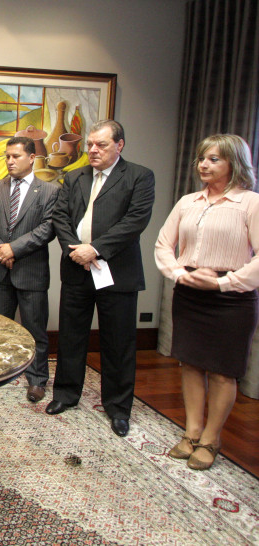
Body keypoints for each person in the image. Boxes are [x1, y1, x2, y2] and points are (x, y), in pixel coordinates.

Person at [155, 134, 258, 470]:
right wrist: (179, 274)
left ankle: (211, 438)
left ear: (234, 163)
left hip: (232, 299)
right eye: (201, 158)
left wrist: (222, 283)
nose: (203, 164)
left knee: (223, 372)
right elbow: (163, 245)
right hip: (189, 294)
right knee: (191, 364)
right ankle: (192, 432)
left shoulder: (250, 203)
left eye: (214, 159)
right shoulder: (188, 202)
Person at [46, 120, 155, 437]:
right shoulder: (75, 176)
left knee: (118, 342)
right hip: (76, 268)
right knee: (71, 336)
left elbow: (135, 221)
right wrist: (76, 251)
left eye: (101, 145)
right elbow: (60, 217)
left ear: (119, 145)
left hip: (116, 272)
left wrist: (95, 249)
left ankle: (118, 408)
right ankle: (66, 394)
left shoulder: (139, 176)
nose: (93, 150)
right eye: (90, 144)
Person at [0, 136, 60, 403]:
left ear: (32, 158)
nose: (10, 161)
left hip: (31, 272)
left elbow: (48, 228)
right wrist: (0, 251)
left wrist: (13, 249)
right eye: (7, 156)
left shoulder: (49, 191)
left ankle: (37, 380)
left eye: (15, 156)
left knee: (35, 330)